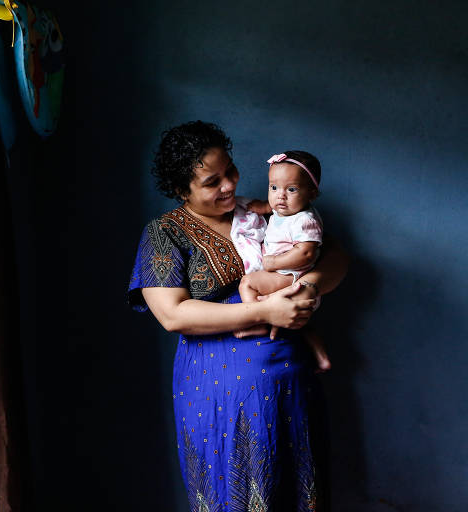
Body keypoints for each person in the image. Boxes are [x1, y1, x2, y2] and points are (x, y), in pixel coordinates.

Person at [127, 121, 347, 511]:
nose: (228, 185)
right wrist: (265, 309)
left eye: (230, 170)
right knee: (234, 489)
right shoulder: (165, 233)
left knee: (297, 489)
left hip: (289, 378)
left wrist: (308, 289)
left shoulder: (265, 214)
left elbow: (336, 258)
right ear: (183, 190)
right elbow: (172, 314)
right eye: (212, 182)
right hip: (215, 388)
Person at [233, 150, 331, 371]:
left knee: (248, 283)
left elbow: (305, 253)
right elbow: (274, 208)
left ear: (312, 193)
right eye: (273, 187)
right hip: (289, 276)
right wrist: (263, 207)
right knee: (299, 323)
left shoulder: (305, 220)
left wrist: (273, 263)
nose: (280, 196)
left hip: (290, 275)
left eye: (292, 189)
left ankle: (255, 322)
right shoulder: (285, 209)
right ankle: (321, 357)